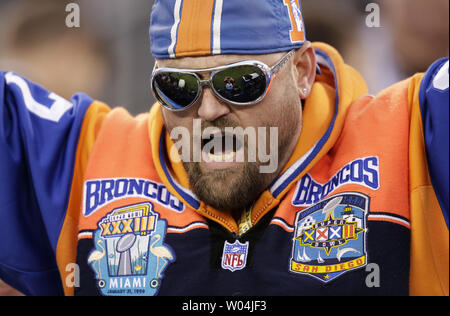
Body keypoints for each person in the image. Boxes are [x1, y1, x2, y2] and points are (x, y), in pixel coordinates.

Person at [0, 0, 448, 296]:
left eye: (240, 82)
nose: (209, 110)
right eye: (178, 87)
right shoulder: (84, 159)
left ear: (302, 71)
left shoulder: (411, 138)